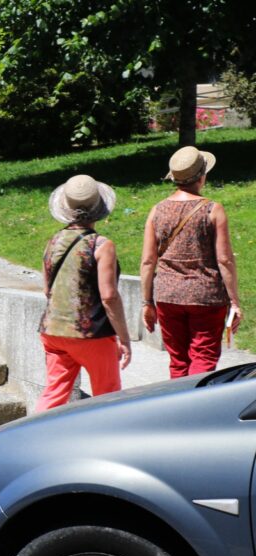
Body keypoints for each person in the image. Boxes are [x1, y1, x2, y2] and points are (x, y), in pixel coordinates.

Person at [140, 146, 242, 378]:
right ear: (202, 176)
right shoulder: (212, 210)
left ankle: (179, 408)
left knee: (178, 361)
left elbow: (148, 261)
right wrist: (234, 302)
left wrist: (146, 302)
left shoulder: (157, 210)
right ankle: (197, 406)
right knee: (203, 357)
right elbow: (224, 259)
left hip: (167, 295)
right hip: (206, 296)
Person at [36, 175, 131, 411]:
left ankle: (33, 437)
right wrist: (124, 338)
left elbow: (48, 290)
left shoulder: (53, 241)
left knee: (54, 394)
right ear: (99, 207)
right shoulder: (101, 245)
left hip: (53, 331)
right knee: (107, 398)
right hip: (92, 334)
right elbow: (109, 296)